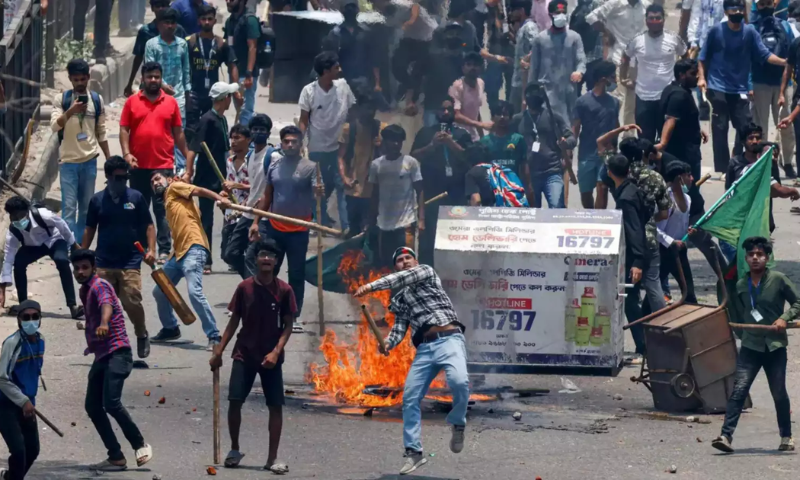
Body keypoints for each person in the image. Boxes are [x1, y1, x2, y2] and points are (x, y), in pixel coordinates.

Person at [354, 247, 468, 476]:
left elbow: (402, 278)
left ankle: (457, 422)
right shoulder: (401, 299)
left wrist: (370, 286)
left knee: (459, 382)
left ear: (416, 261)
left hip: (450, 339)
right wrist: (387, 343)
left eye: (408, 258)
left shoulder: (426, 272)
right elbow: (399, 328)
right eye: (399, 260)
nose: (405, 262)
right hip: (425, 349)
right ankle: (414, 452)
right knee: (409, 398)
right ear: (395, 265)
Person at [209, 239, 295, 473]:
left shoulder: (285, 290)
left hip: (271, 356)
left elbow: (288, 326)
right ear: (256, 259)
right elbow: (234, 321)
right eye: (263, 255)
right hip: (244, 352)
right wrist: (219, 351)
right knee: (235, 401)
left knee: (275, 405)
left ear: (277, 262)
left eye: (271, 256)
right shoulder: (244, 288)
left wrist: (276, 352)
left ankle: (272, 458)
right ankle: (235, 449)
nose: (266, 259)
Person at [711, 236, 797, 453]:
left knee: (778, 392)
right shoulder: (741, 284)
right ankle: (725, 436)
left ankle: (786, 437)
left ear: (767, 258)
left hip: (775, 346)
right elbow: (736, 309)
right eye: (751, 255)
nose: (755, 258)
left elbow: (798, 302)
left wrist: (784, 317)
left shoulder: (778, 279)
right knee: (739, 391)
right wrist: (743, 332)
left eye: (760, 254)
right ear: (746, 258)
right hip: (751, 346)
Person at [70, 249, 153, 472]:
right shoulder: (84, 291)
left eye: (85, 267)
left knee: (111, 402)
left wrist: (104, 323)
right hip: (102, 356)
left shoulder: (100, 286)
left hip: (118, 353)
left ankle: (140, 444)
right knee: (92, 406)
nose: (80, 271)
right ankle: (115, 456)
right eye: (77, 268)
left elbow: (106, 304)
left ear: (93, 268)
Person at [698, 0, 787, 174]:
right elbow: (702, 57)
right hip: (718, 86)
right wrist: (702, 78)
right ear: (726, 11)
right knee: (720, 129)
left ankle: (737, 160)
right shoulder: (716, 31)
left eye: (740, 9)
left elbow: (764, 54)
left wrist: (785, 62)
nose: (737, 12)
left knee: (746, 127)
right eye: (733, 9)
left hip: (740, 89)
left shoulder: (750, 32)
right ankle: (723, 169)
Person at [82, 156, 156, 360]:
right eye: (118, 178)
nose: (122, 182)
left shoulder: (136, 198)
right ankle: (108, 346)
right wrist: (82, 254)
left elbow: (149, 225)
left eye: (125, 177)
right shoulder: (97, 200)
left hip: (130, 260)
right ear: (107, 177)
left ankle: (141, 334)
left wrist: (151, 250)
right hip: (104, 260)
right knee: (104, 305)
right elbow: (90, 229)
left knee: (131, 300)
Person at [247, 126, 324, 316]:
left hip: (299, 230)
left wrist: (319, 192)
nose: (290, 145)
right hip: (275, 228)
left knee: (296, 274)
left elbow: (318, 195)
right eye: (286, 141)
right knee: (268, 271)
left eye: (294, 141)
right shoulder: (274, 166)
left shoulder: (311, 167)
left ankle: (293, 314)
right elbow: (266, 197)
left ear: (300, 144)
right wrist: (256, 222)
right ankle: (268, 309)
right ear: (281, 143)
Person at [148, 171, 229, 350]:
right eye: (151, 182)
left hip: (194, 247)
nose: (154, 183)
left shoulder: (175, 187)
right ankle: (170, 328)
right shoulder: (168, 202)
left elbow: (199, 190)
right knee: (160, 291)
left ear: (169, 179)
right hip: (177, 254)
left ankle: (214, 335)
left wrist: (218, 198)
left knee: (194, 292)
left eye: (157, 179)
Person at [121, 61, 188, 263]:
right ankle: (142, 249)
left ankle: (164, 250)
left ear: (161, 78)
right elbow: (124, 129)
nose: (153, 80)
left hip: (163, 165)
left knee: (162, 210)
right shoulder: (132, 102)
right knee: (139, 209)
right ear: (143, 78)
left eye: (157, 77)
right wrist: (126, 154)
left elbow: (178, 133)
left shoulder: (171, 102)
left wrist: (188, 162)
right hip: (137, 166)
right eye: (149, 76)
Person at [51, 58, 110, 244]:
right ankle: (70, 247)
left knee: (85, 209)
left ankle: (81, 247)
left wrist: (109, 159)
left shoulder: (96, 100)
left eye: (82, 79)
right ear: (70, 79)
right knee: (68, 208)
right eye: (75, 80)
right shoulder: (62, 100)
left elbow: (101, 131)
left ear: (88, 78)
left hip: (89, 161)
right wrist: (71, 110)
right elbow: (54, 126)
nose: (79, 83)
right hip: (68, 162)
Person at [185, 82, 240, 273]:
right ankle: (206, 260)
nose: (231, 100)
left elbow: (228, 146)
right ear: (224, 98)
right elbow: (193, 147)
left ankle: (232, 255)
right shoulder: (206, 120)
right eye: (230, 97)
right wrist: (188, 172)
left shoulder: (222, 120)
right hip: (207, 178)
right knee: (206, 219)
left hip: (223, 176)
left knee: (232, 215)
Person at [299, 52, 355, 232]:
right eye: (336, 68)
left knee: (342, 185)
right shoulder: (309, 91)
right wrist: (300, 143)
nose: (340, 70)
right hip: (317, 147)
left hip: (340, 147)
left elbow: (352, 111)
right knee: (319, 186)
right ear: (325, 71)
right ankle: (319, 220)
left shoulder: (343, 86)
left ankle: (346, 226)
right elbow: (304, 119)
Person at [410, 97, 472, 264]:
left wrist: (451, 143)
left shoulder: (462, 134)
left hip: (456, 194)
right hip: (431, 192)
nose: (446, 112)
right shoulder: (425, 132)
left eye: (449, 109)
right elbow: (413, 157)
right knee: (428, 238)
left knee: (456, 237)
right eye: (442, 109)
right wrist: (432, 145)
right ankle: (425, 273)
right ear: (436, 112)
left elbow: (470, 159)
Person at [0, 196, 83, 319]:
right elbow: (8, 258)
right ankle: (24, 306)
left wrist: (74, 244)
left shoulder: (44, 215)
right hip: (32, 247)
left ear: (27, 212)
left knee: (61, 260)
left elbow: (62, 225)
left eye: (21, 216)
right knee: (18, 263)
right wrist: (2, 288)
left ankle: (72, 306)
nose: (18, 220)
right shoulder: (12, 232)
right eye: (14, 218)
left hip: (54, 240)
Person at [619, 137, 671, 317]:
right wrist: (647, 219)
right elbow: (664, 213)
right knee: (653, 283)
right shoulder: (656, 178)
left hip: (623, 237)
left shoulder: (619, 174)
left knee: (626, 290)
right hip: (649, 237)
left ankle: (639, 333)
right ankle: (665, 326)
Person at [621, 4, 687, 142]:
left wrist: (683, 80)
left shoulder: (674, 38)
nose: (655, 21)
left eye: (658, 18)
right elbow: (625, 57)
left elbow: (686, 57)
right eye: (651, 18)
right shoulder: (637, 40)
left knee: (669, 140)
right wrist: (623, 78)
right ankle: (646, 163)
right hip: (643, 97)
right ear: (646, 20)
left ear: (664, 19)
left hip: (667, 97)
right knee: (645, 140)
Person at [607, 154, 650, 354]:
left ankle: (644, 344)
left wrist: (638, 261)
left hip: (634, 257)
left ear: (610, 173)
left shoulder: (625, 198)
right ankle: (645, 343)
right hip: (637, 253)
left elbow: (634, 230)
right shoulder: (633, 189)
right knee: (632, 300)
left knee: (631, 302)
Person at [222, 114, 273, 279]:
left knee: (252, 257)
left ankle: (255, 292)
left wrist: (258, 220)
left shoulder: (271, 156)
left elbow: (269, 190)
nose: (259, 132)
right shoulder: (250, 157)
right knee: (230, 253)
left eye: (262, 130)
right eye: (255, 129)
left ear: (268, 133)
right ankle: (254, 283)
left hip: (263, 216)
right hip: (247, 212)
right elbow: (253, 188)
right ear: (251, 133)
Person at [587, 0, 649, 129]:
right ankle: (608, 132)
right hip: (617, 57)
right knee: (616, 98)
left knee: (632, 103)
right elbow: (591, 17)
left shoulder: (645, 6)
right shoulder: (615, 4)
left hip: (637, 60)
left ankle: (629, 135)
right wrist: (606, 32)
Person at [0, 300, 45, 480]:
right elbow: (2, 378)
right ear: (19, 320)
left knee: (32, 450)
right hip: (6, 404)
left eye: (35, 317)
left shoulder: (41, 341)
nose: (31, 321)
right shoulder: (12, 343)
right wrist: (23, 400)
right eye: (26, 317)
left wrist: (29, 401)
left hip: (27, 404)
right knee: (19, 451)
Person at [368, 125, 424, 267]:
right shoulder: (376, 165)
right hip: (384, 224)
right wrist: (370, 220)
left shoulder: (411, 163)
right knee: (386, 265)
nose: (396, 144)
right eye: (393, 141)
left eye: (399, 141)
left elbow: (420, 191)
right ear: (384, 141)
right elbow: (374, 194)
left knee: (407, 264)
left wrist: (421, 219)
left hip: (406, 224)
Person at [144, 8, 192, 171]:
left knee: (179, 132)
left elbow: (186, 70)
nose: (170, 26)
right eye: (166, 23)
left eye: (173, 23)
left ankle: (180, 168)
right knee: (161, 132)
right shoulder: (152, 45)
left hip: (178, 97)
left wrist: (187, 92)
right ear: (159, 25)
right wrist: (163, 85)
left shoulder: (182, 44)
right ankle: (163, 164)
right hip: (156, 96)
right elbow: (148, 69)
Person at [752, 0, 796, 175]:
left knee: (786, 124)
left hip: (783, 84)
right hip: (759, 82)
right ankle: (762, 163)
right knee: (759, 126)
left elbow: (793, 51)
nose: (766, 7)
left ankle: (787, 163)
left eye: (768, 3)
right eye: (762, 4)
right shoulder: (752, 29)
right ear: (757, 6)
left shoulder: (785, 26)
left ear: (775, 4)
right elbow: (749, 57)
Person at [514, 85, 575, 208]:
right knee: (531, 213)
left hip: (552, 171)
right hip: (528, 175)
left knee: (557, 207)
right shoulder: (518, 119)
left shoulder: (553, 117)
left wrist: (565, 143)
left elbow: (572, 138)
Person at [339, 88, 388, 238]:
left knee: (369, 227)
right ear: (359, 108)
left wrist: (382, 146)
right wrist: (344, 178)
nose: (370, 111)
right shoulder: (349, 129)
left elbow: (390, 158)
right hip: (353, 186)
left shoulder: (383, 129)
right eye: (367, 107)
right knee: (353, 227)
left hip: (373, 188)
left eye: (373, 108)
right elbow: (340, 156)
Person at [527, 0, 586, 122]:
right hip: (546, 92)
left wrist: (579, 72)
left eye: (564, 12)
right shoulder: (540, 39)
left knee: (567, 127)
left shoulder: (575, 37)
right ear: (550, 14)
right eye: (557, 13)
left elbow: (581, 59)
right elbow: (534, 68)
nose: (561, 15)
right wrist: (530, 92)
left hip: (568, 92)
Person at [186, 5, 238, 142]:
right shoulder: (189, 42)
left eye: (210, 19)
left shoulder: (221, 44)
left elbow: (232, 66)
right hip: (193, 93)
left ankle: (207, 159)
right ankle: (189, 160)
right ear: (198, 21)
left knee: (211, 128)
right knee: (191, 129)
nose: (207, 22)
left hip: (213, 95)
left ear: (215, 21)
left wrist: (235, 89)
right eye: (203, 19)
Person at [573, 60, 619, 209]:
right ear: (602, 79)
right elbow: (576, 126)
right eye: (612, 77)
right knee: (586, 192)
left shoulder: (614, 103)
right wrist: (568, 151)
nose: (614, 80)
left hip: (606, 154)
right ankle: (590, 218)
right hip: (586, 153)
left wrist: (615, 147)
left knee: (603, 187)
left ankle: (601, 220)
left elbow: (616, 126)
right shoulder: (582, 102)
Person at [371, 0, 437, 102]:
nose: (377, 6)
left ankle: (412, 98)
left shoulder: (399, 4)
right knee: (396, 64)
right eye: (374, 4)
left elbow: (415, 6)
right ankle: (408, 86)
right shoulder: (383, 17)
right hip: (409, 38)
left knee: (418, 70)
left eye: (378, 2)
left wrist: (411, 20)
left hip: (428, 37)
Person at [125, 0, 188, 98]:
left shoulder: (178, 30)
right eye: (157, 6)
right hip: (151, 84)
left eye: (163, 5)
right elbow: (138, 57)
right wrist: (130, 83)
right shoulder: (145, 31)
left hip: (174, 87)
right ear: (152, 8)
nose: (161, 9)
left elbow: (186, 62)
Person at [411, 22, 470, 126]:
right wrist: (412, 100)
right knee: (431, 135)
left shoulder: (467, 61)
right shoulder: (432, 57)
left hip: (458, 109)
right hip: (433, 105)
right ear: (444, 36)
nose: (454, 36)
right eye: (451, 33)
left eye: (457, 33)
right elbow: (416, 77)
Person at [657, 162, 697, 304]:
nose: (691, 178)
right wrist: (671, 241)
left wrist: (688, 230)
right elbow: (654, 228)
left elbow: (680, 223)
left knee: (689, 291)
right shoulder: (664, 199)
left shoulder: (687, 199)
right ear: (679, 178)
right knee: (654, 291)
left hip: (680, 250)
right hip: (664, 251)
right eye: (688, 175)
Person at [321, 0, 380, 89]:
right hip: (341, 81)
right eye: (347, 7)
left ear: (358, 10)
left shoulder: (366, 32)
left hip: (363, 81)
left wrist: (377, 83)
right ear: (342, 10)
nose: (350, 10)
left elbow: (374, 59)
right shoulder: (335, 34)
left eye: (353, 7)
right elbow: (329, 60)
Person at [224, 0, 262, 127]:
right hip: (234, 72)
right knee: (239, 109)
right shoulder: (230, 21)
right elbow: (229, 47)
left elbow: (253, 47)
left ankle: (246, 141)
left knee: (246, 110)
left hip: (246, 74)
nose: (228, 2)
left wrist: (249, 73)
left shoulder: (250, 20)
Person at [220, 126, 252, 274]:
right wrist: (223, 194)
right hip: (231, 211)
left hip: (248, 211)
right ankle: (250, 276)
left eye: (238, 138)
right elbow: (228, 182)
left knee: (237, 251)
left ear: (248, 140)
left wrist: (237, 185)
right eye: (232, 138)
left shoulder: (253, 161)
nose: (233, 141)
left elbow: (259, 187)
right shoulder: (229, 161)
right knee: (226, 254)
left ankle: (252, 278)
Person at [449, 52, 489, 142]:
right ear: (463, 68)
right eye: (469, 64)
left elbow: (476, 111)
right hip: (458, 135)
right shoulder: (457, 87)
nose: (472, 68)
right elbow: (456, 116)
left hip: (474, 135)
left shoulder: (481, 83)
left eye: (475, 65)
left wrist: (482, 138)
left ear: (481, 68)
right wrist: (480, 125)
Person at [480, 100, 526, 178]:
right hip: (494, 186)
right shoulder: (484, 142)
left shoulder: (518, 139)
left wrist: (528, 185)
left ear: (511, 118)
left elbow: (524, 165)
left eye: (505, 114)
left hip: (513, 185)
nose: (502, 117)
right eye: (498, 114)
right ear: (492, 117)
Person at [482, 0, 514, 106]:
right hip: (492, 49)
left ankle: (509, 113)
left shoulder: (506, 4)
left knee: (511, 84)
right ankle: (494, 114)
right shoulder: (483, 7)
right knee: (492, 87)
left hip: (508, 46)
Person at [509, 0, 539, 109]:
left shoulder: (529, 27)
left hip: (524, 82)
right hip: (518, 80)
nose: (511, 13)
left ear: (521, 11)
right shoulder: (522, 27)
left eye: (513, 10)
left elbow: (537, 47)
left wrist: (526, 60)